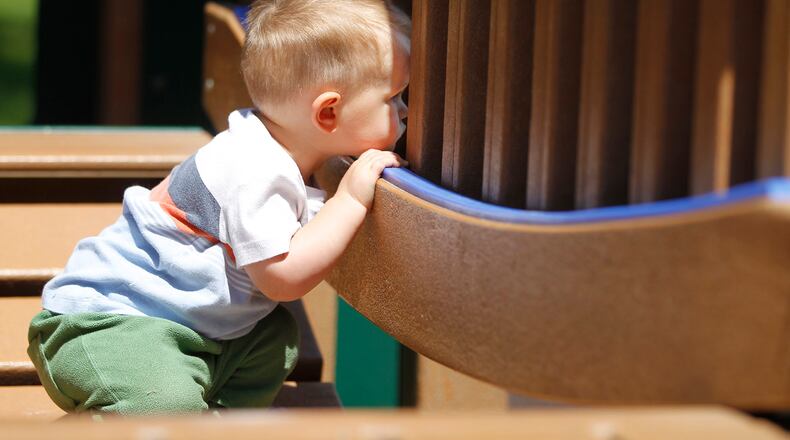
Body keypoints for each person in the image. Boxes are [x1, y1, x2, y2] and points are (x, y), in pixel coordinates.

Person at [27, 0, 410, 415]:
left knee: (273, 340)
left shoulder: (288, 151)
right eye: (394, 98)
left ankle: (200, 421)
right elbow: (282, 279)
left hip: (188, 330)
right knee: (165, 405)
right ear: (328, 111)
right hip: (107, 326)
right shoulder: (255, 170)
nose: (407, 111)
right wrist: (349, 200)